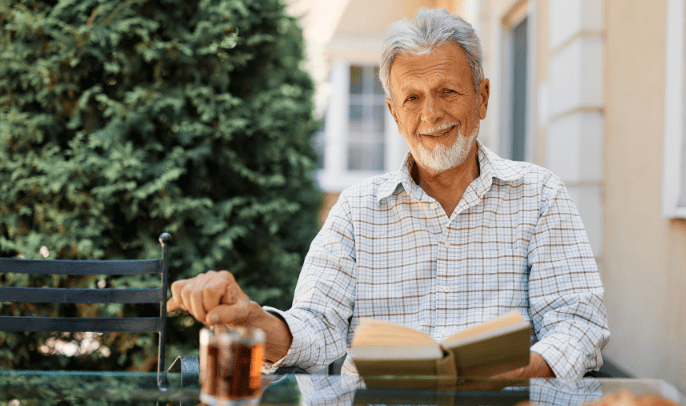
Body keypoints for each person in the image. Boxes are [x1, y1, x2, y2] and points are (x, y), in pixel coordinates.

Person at [167, 8, 610, 380]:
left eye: (448, 92)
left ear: (482, 97)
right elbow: (317, 327)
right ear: (394, 113)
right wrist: (254, 322)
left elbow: (580, 326)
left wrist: (512, 373)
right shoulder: (357, 209)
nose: (431, 115)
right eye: (412, 98)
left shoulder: (540, 195)